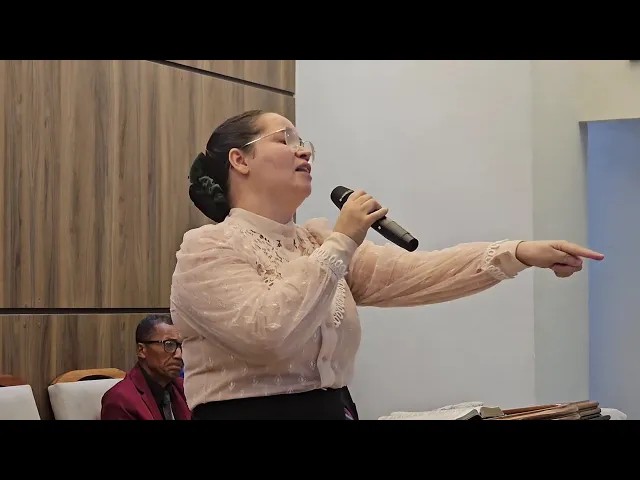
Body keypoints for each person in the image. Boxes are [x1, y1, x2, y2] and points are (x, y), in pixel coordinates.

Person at [170, 109, 604, 420]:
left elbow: (420, 275)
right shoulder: (207, 249)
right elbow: (269, 334)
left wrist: (518, 252)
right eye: (285, 140)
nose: (304, 152)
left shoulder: (314, 242)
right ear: (240, 160)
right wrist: (342, 240)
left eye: (306, 144)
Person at [100, 314, 191, 420]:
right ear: (141, 350)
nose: (179, 355)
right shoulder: (119, 400)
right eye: (169, 344)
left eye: (182, 346)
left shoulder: (184, 388)